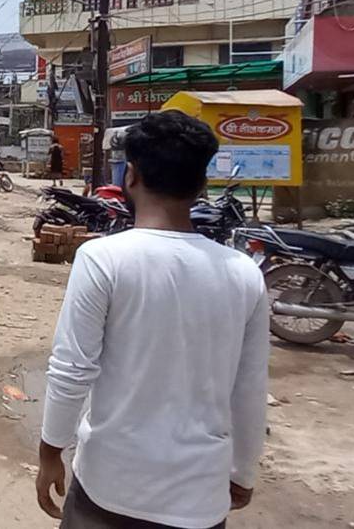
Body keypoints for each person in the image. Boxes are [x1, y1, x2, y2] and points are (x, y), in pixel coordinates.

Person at [35, 111, 269, 528]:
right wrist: (243, 471)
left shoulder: (103, 259)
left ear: (131, 176)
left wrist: (50, 452)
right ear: (201, 184)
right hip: (198, 497)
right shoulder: (243, 273)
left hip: (109, 488)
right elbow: (249, 388)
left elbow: (72, 370)